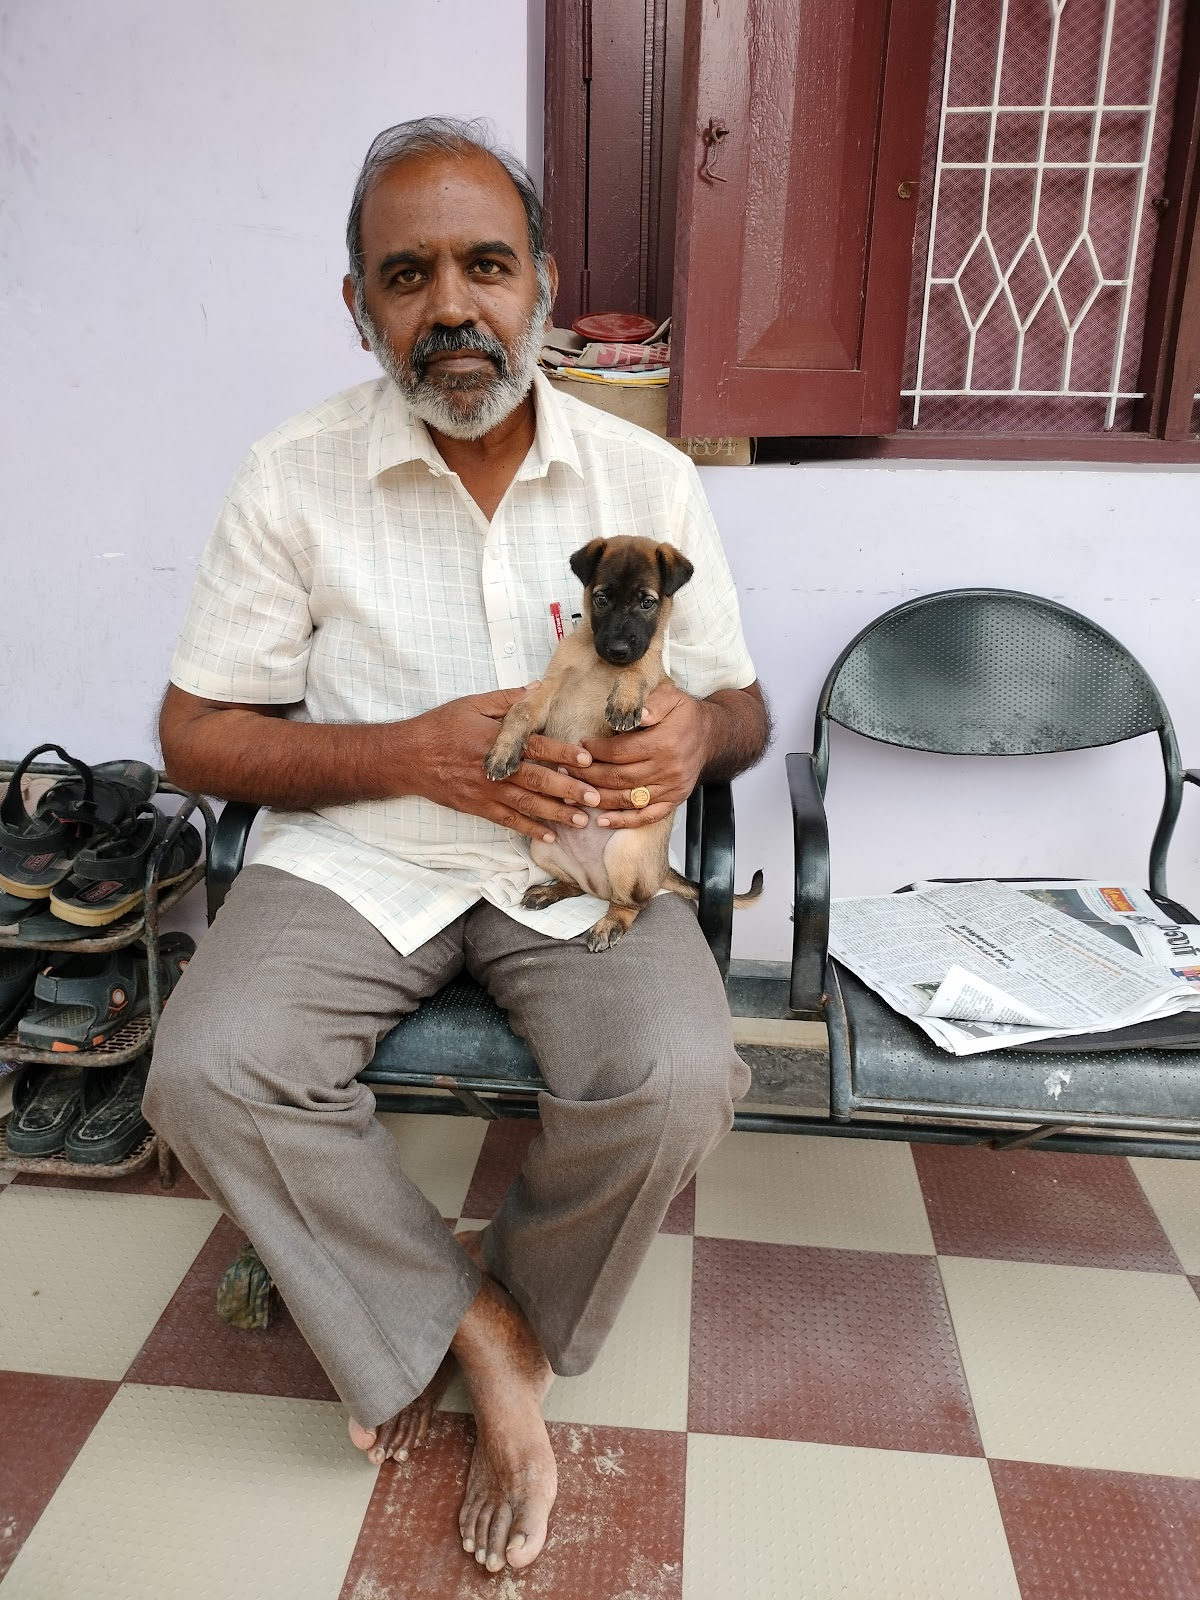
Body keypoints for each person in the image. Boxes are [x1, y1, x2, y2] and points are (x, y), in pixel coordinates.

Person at [147, 116, 769, 1575]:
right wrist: (408, 752)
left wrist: (697, 736)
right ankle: (483, 1331)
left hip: (582, 861)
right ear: (360, 306)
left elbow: (740, 702)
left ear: (543, 284)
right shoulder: (290, 475)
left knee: (679, 1081)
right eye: (408, 274)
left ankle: (485, 1311)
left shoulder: (645, 479)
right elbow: (193, 736)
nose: (453, 306)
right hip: (361, 852)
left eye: (486, 265)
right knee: (207, 1068)